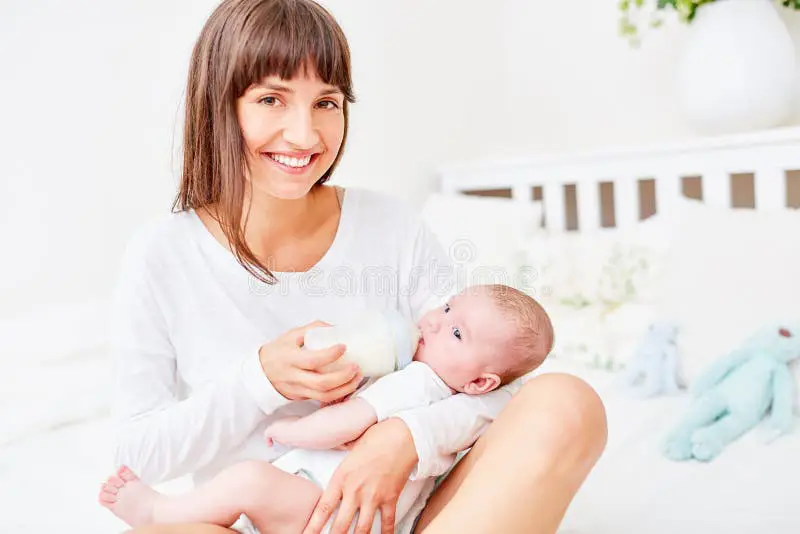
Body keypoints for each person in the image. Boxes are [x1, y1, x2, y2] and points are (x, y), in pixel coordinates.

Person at [105, 0, 608, 533]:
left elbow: (493, 377)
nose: (304, 135)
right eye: (271, 99)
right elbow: (137, 455)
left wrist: (406, 439)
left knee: (567, 402)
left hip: (410, 515)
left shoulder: (392, 227)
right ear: (220, 106)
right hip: (260, 520)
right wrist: (260, 382)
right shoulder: (162, 256)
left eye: (326, 102)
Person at [100, 285, 554, 533]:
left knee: (250, 479)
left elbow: (346, 425)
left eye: (455, 332)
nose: (433, 320)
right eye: (447, 306)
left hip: (329, 511)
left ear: (480, 381)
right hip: (340, 515)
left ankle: (159, 513)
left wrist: (289, 431)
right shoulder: (447, 398)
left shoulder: (421, 382)